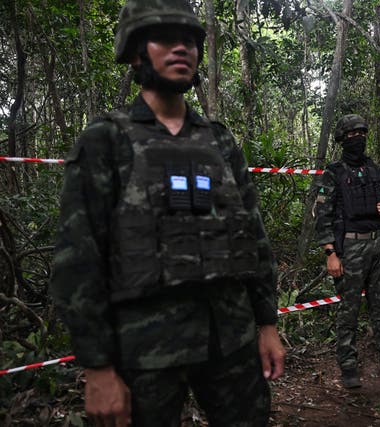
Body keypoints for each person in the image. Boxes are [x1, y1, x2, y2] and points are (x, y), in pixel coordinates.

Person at [49, 1, 285, 425]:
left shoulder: (219, 140)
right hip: (146, 350)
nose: (183, 49)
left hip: (230, 339)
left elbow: (253, 233)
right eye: (166, 38)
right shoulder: (107, 140)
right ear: (138, 52)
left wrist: (267, 323)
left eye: (191, 40)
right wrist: (98, 369)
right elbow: (77, 259)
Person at [314, 114, 380, 389]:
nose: (357, 138)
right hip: (349, 247)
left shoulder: (376, 170)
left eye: (361, 132)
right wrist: (331, 254)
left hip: (377, 245)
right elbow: (321, 216)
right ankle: (348, 364)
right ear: (341, 138)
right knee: (349, 310)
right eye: (351, 134)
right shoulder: (334, 172)